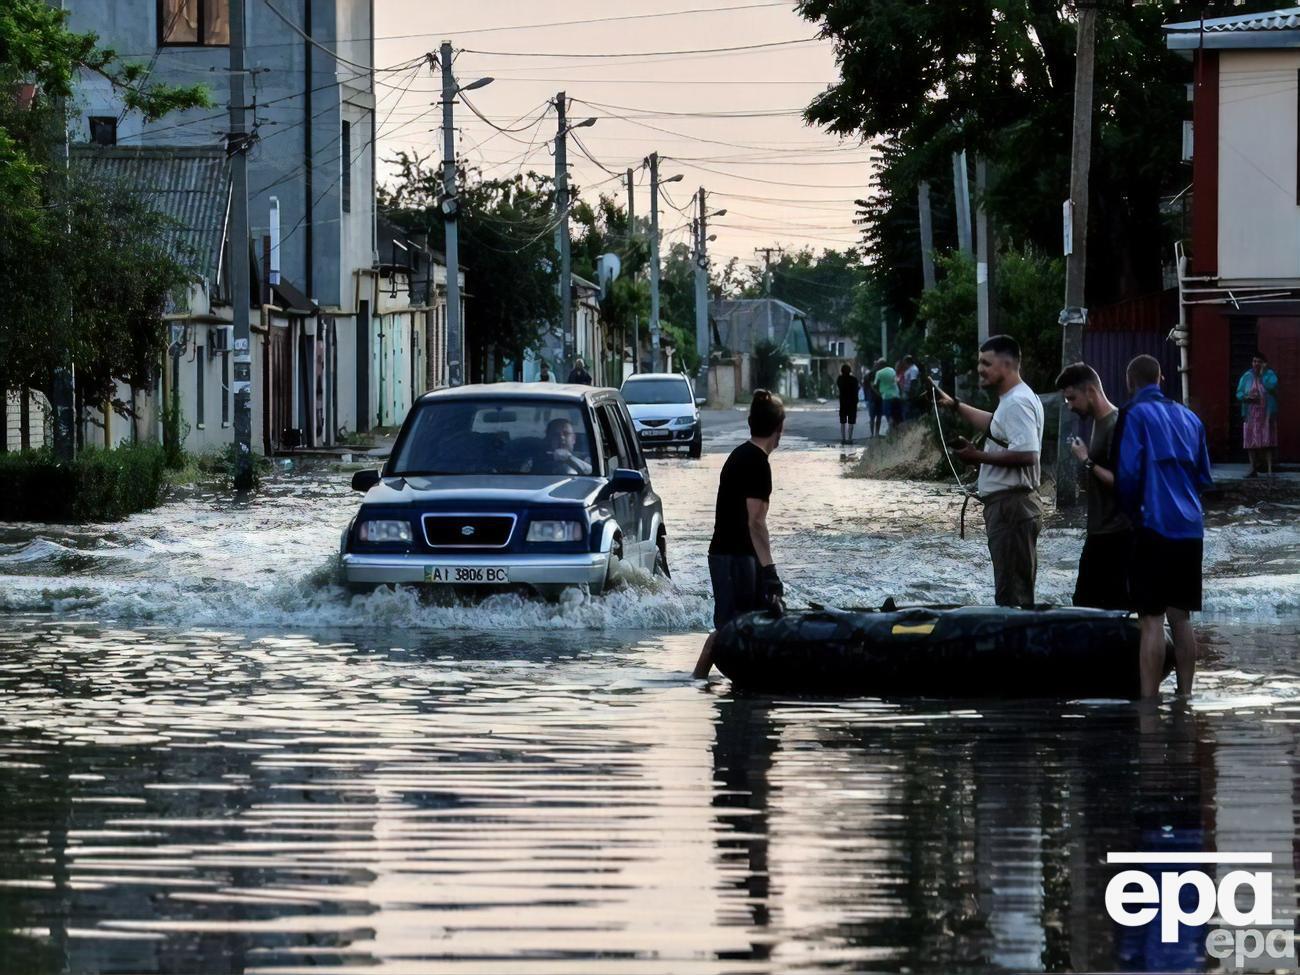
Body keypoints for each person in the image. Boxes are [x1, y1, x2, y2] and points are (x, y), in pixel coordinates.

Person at [1115, 354, 1213, 699]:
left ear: (1130, 383)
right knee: (1181, 618)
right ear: (1161, 379)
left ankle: (1149, 703)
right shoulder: (1191, 418)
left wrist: (1130, 514)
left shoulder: (1133, 414)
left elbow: (1127, 476)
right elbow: (1204, 477)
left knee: (1152, 620)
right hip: (1190, 527)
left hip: (1153, 525)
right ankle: (1185, 697)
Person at [933, 334, 1045, 607]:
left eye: (986, 363)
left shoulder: (1017, 402)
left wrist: (977, 455)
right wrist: (955, 405)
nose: (980, 369)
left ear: (1006, 365)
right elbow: (995, 424)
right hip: (1011, 507)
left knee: (1012, 597)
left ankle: (1014, 648)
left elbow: (1029, 454)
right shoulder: (1012, 400)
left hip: (1012, 508)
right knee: (1012, 590)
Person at [692, 390, 786, 679]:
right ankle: (696, 681)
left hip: (730, 554)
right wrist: (770, 571)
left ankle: (739, 686)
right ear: (779, 429)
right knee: (730, 629)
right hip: (734, 557)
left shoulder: (740, 455)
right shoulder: (757, 464)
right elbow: (755, 522)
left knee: (746, 623)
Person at [1056, 362, 1133, 610]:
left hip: (1117, 534)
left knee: (1112, 606)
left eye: (1071, 398)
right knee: (1084, 604)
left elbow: (1122, 482)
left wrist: (1086, 461)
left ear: (1090, 391)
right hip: (1099, 531)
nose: (1070, 406)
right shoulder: (1096, 423)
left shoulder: (1117, 423)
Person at [1236, 351, 1279, 478]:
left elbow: (1272, 387)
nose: (1256, 364)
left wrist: (1261, 376)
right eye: (1254, 361)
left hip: (1266, 414)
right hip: (1251, 413)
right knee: (1250, 441)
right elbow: (1239, 393)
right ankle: (1252, 468)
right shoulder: (1246, 376)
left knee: (1268, 441)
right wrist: (1246, 397)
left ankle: (1270, 470)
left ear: (1264, 363)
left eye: (1259, 362)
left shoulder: (1270, 375)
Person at [872, 358, 902, 433]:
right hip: (896, 395)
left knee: (888, 415)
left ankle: (891, 431)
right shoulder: (892, 370)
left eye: (878, 365)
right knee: (896, 415)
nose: (877, 366)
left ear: (881, 365)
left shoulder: (879, 373)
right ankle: (897, 431)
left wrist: (878, 394)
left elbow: (875, 385)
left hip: (886, 397)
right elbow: (897, 382)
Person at [836, 363, 860, 445]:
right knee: (851, 422)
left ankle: (843, 439)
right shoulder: (854, 380)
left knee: (843, 421)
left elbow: (839, 387)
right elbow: (856, 390)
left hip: (843, 402)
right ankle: (849, 438)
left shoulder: (840, 379)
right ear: (850, 371)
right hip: (852, 402)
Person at [864, 362, 884, 438]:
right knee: (873, 417)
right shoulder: (871, 374)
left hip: (876, 398)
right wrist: (880, 394)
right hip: (873, 398)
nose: (878, 367)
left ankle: (876, 433)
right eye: (877, 365)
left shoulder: (880, 374)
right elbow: (871, 386)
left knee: (878, 417)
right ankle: (873, 434)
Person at [899, 355, 920, 419]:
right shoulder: (910, 369)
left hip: (909, 393)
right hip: (906, 391)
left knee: (907, 409)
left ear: (907, 361)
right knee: (906, 409)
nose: (904, 363)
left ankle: (909, 422)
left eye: (904, 362)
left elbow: (913, 381)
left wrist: (911, 393)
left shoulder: (913, 369)